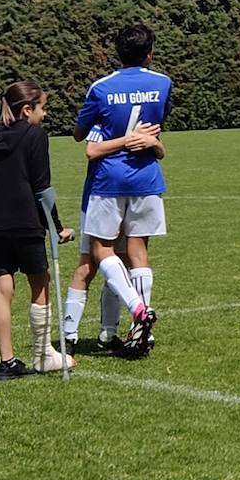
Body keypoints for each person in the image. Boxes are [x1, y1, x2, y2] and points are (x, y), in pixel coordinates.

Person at [73, 24, 170, 356]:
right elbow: (157, 125)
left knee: (102, 251)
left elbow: (79, 132)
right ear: (150, 52)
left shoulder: (101, 88)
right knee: (138, 253)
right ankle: (141, 331)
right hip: (146, 178)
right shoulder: (162, 83)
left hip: (109, 179)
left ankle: (136, 312)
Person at [0, 81, 77, 379]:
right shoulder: (36, 135)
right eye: (42, 107)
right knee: (40, 280)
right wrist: (58, 227)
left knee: (2, 283)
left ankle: (6, 361)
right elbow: (42, 188)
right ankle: (42, 354)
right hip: (25, 220)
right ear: (27, 110)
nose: (44, 114)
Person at [62, 123, 159, 353]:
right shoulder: (103, 119)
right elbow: (92, 149)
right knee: (88, 265)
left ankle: (108, 333)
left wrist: (153, 142)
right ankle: (69, 336)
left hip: (130, 195)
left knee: (122, 266)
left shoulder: (143, 120)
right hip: (99, 199)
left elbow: (160, 152)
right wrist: (127, 139)